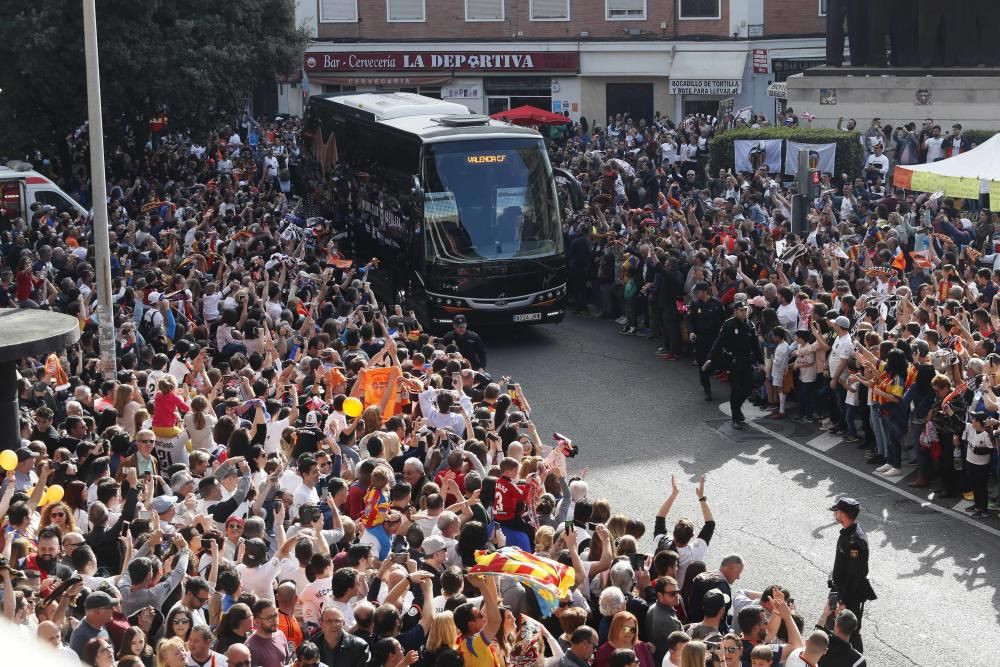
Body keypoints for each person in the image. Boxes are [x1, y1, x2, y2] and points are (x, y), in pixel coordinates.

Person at [704, 298, 764, 429]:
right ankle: (736, 416)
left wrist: (761, 362)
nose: (744, 313)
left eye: (746, 310)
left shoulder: (750, 325)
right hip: (733, 362)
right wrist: (710, 358)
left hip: (747, 361)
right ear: (735, 311)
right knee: (736, 389)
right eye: (741, 310)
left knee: (748, 389)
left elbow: (756, 346)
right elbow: (718, 343)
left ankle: (737, 409)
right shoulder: (729, 325)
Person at [827, 498, 875, 653]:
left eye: (837, 511)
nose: (835, 514)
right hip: (844, 590)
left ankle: (856, 659)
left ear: (843, 514)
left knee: (851, 630)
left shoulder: (854, 541)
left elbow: (853, 575)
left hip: (850, 595)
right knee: (837, 626)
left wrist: (843, 600)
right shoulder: (851, 532)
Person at [687, 282, 726, 401]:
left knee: (716, 361)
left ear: (704, 291)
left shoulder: (717, 303)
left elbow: (723, 320)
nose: (696, 294)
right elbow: (689, 320)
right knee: (702, 364)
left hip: (714, 339)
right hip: (700, 339)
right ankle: (707, 390)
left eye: (698, 292)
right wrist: (691, 332)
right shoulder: (694, 304)